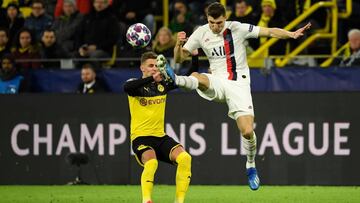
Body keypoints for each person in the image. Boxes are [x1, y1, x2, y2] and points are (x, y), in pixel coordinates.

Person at [157, 2, 311, 190]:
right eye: (212, 22)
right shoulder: (201, 32)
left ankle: (251, 164)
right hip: (217, 80)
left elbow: (269, 31)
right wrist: (179, 45)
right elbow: (180, 58)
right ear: (207, 19)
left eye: (219, 23)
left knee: (247, 131)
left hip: (239, 85)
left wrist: (291, 34)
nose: (215, 26)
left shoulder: (237, 28)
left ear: (225, 19)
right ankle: (175, 79)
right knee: (197, 77)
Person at [123, 51, 192, 203]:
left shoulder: (163, 85)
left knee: (185, 158)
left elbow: (188, 76)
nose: (154, 68)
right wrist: (150, 79)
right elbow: (127, 87)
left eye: (156, 65)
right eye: (150, 66)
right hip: (141, 138)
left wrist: (193, 56)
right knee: (152, 162)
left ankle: (179, 201)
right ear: (142, 68)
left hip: (160, 137)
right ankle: (146, 200)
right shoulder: (135, 85)